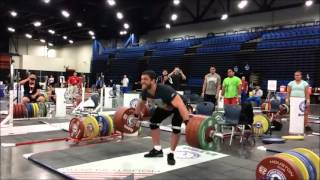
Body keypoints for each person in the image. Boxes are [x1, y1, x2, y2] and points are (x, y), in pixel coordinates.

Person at [135, 70, 189, 165]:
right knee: (153, 123)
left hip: (178, 105)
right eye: (141, 79)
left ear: (153, 81)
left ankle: (171, 153)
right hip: (165, 106)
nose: (142, 81)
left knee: (176, 128)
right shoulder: (145, 91)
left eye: (145, 79)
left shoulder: (165, 90)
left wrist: (187, 123)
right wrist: (135, 116)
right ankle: (157, 150)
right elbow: (140, 104)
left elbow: (180, 105)